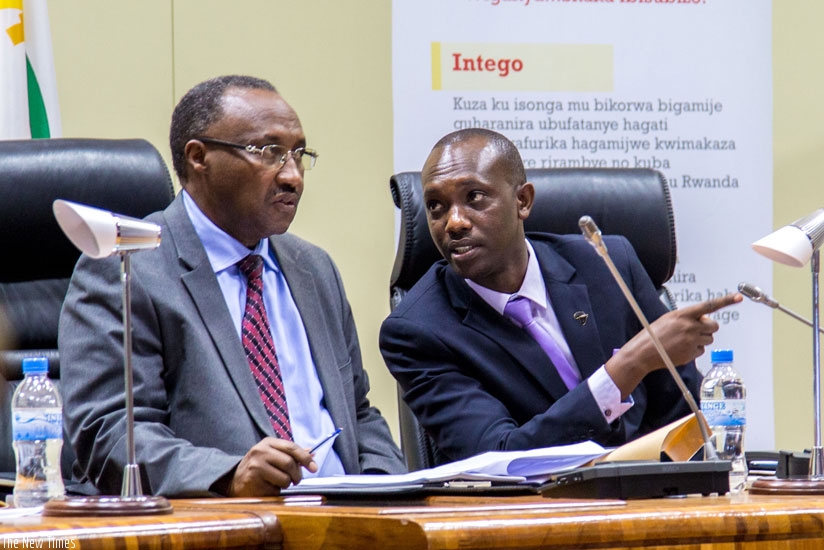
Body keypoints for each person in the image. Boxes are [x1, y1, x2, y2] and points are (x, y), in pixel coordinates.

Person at [59, 75, 405, 497]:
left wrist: (388, 487)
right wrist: (229, 475)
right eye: (270, 152)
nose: (293, 176)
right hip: (224, 523)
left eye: (299, 154)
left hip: (345, 520)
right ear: (199, 157)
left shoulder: (314, 269)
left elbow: (358, 414)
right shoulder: (126, 267)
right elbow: (111, 432)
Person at [379, 128, 742, 464]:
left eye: (474, 197)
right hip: (531, 517)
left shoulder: (608, 263)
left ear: (522, 201)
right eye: (436, 207)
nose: (454, 222)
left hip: (650, 500)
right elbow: (499, 458)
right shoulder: (417, 331)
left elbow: (684, 410)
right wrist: (627, 367)